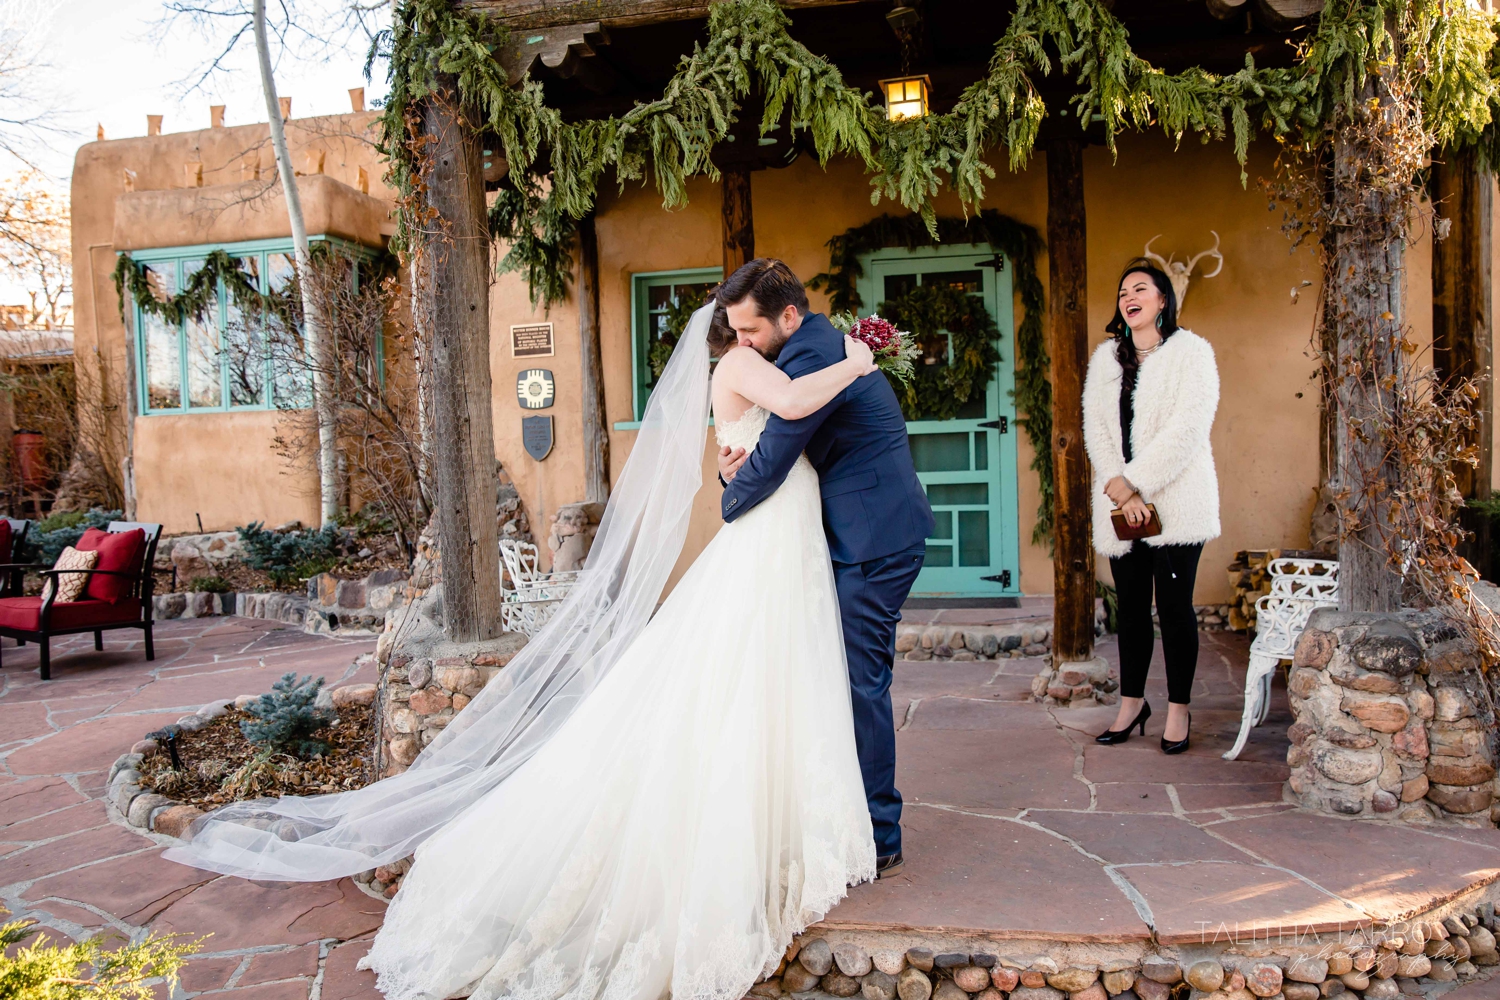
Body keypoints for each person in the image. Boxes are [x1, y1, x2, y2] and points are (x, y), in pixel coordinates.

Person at [167, 292, 893, 1000]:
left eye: (748, 327)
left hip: (788, 530)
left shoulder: (758, 362)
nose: (743, 338)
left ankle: (791, 816)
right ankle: (754, 830)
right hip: (769, 532)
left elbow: (778, 429)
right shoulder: (742, 367)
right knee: (748, 670)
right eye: (733, 328)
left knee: (778, 672)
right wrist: (861, 360)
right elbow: (795, 409)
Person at [716, 258, 934, 873]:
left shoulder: (809, 360)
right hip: (868, 531)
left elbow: (781, 451)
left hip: (872, 543)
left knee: (860, 685)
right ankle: (853, 813)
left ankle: (880, 834)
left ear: (788, 315)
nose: (743, 345)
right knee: (841, 679)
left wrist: (729, 504)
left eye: (750, 331)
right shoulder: (814, 344)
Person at [1082, 258, 1220, 755]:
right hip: (1123, 507)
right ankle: (1132, 703)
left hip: (1178, 504)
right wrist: (1124, 490)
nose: (1129, 297)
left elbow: (1188, 429)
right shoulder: (1106, 360)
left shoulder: (1192, 354)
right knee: (1133, 611)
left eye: (1140, 289)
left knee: (1176, 608)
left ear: (1163, 300)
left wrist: (1136, 481)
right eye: (1122, 293)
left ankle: (1179, 708)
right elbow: (1096, 429)